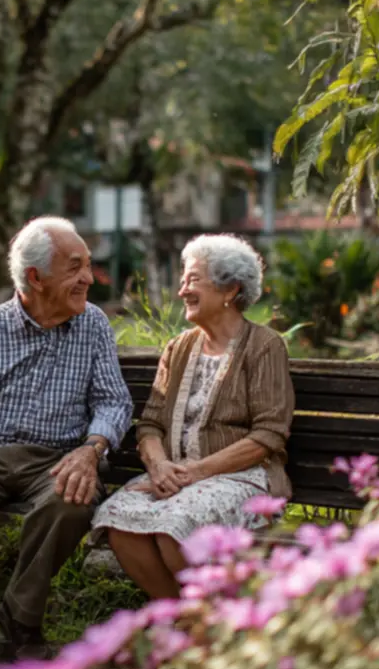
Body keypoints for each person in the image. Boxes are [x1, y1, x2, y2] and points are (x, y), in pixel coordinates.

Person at [0, 216, 133, 658]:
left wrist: (91, 451)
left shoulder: (92, 326)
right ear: (35, 277)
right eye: (75, 267)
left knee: (71, 500)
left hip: (55, 458)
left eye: (88, 265)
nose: (89, 278)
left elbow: (114, 402)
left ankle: (20, 619)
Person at [92, 234, 294, 598]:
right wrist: (159, 467)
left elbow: (269, 435)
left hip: (241, 478)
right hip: (177, 475)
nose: (182, 290)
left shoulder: (264, 346)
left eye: (193, 279)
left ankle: (204, 621)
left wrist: (195, 472)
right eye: (183, 280)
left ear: (230, 288)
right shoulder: (179, 347)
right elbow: (151, 423)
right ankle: (185, 618)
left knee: (174, 525)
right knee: (116, 519)